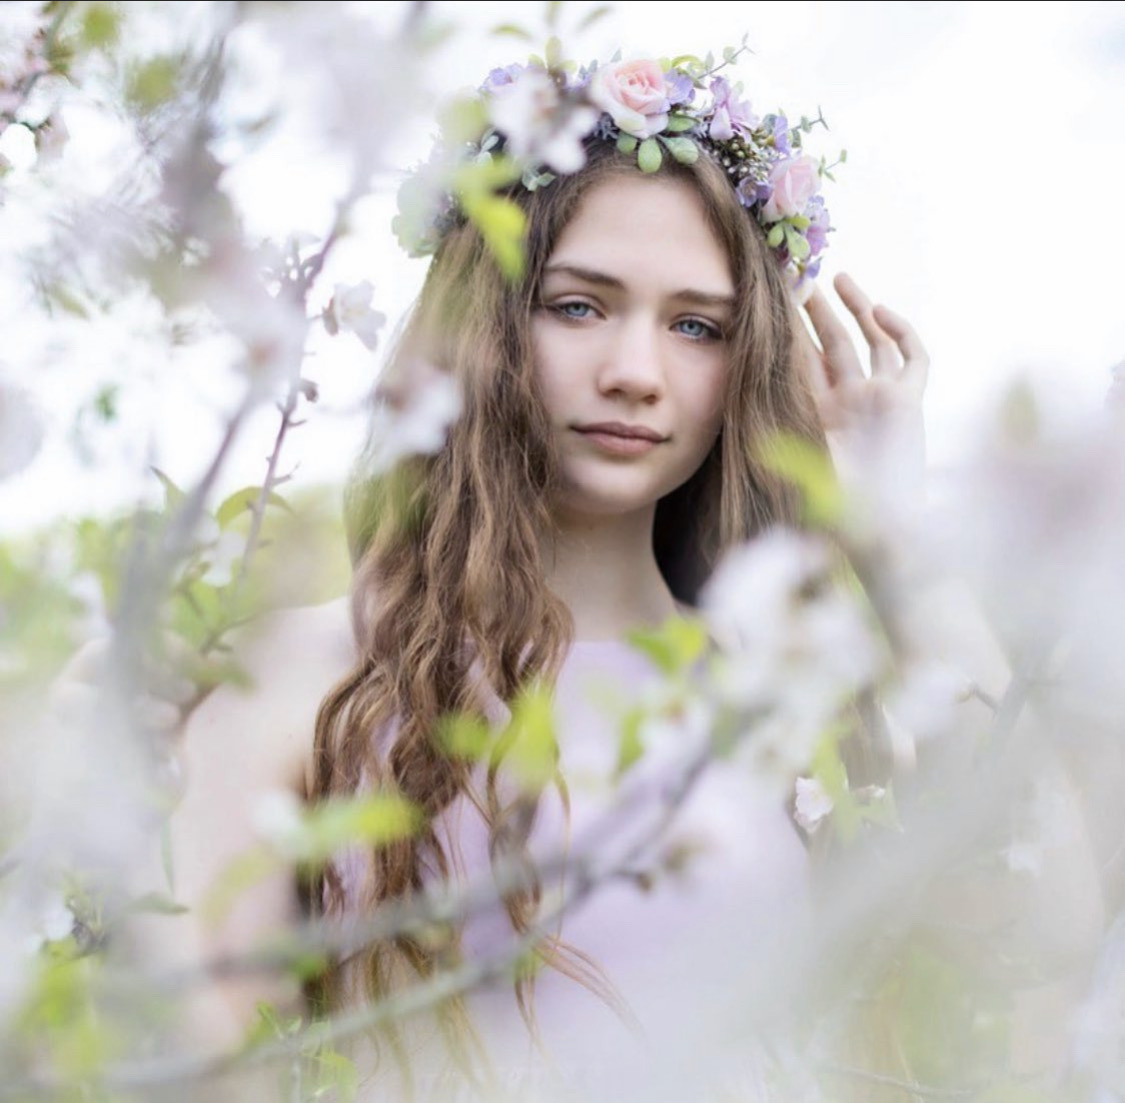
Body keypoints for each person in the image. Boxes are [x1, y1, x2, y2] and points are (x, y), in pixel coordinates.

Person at [125, 48, 1095, 1103]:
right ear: (487, 318)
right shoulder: (310, 675)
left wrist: (891, 534)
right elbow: (199, 1063)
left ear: (745, 362)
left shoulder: (785, 688)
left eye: (695, 326)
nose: (635, 371)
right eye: (579, 305)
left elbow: (1045, 925)